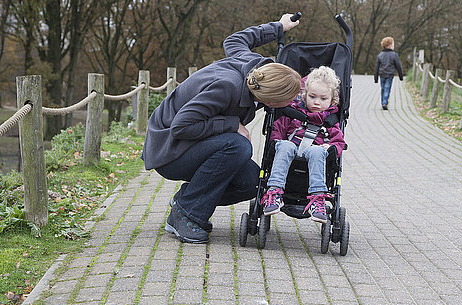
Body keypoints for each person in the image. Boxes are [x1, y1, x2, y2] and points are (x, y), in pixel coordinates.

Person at [141, 14, 302, 244]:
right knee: (238, 146)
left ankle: (185, 200)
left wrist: (278, 27)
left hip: (188, 143)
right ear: (270, 100)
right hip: (168, 149)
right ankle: (187, 214)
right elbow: (181, 127)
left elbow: (234, 40)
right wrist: (232, 124)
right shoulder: (227, 87)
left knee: (253, 182)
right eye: (289, 99)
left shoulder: (251, 65)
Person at [262, 66, 346, 223]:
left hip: (315, 157)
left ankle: (317, 199)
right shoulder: (292, 115)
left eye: (323, 99)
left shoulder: (330, 122)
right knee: (285, 145)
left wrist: (330, 148)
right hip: (290, 151)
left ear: (332, 100)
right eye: (312, 97)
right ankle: (274, 192)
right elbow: (277, 130)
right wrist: (277, 142)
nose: (316, 102)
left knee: (317, 151)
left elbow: (339, 141)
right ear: (304, 95)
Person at [374, 36, 404, 110]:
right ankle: (385, 102)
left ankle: (383, 102)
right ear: (390, 45)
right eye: (393, 44)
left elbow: (376, 67)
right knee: (387, 88)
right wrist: (401, 76)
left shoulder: (380, 55)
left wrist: (376, 78)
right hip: (390, 75)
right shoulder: (394, 55)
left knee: (383, 89)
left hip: (382, 75)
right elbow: (398, 66)